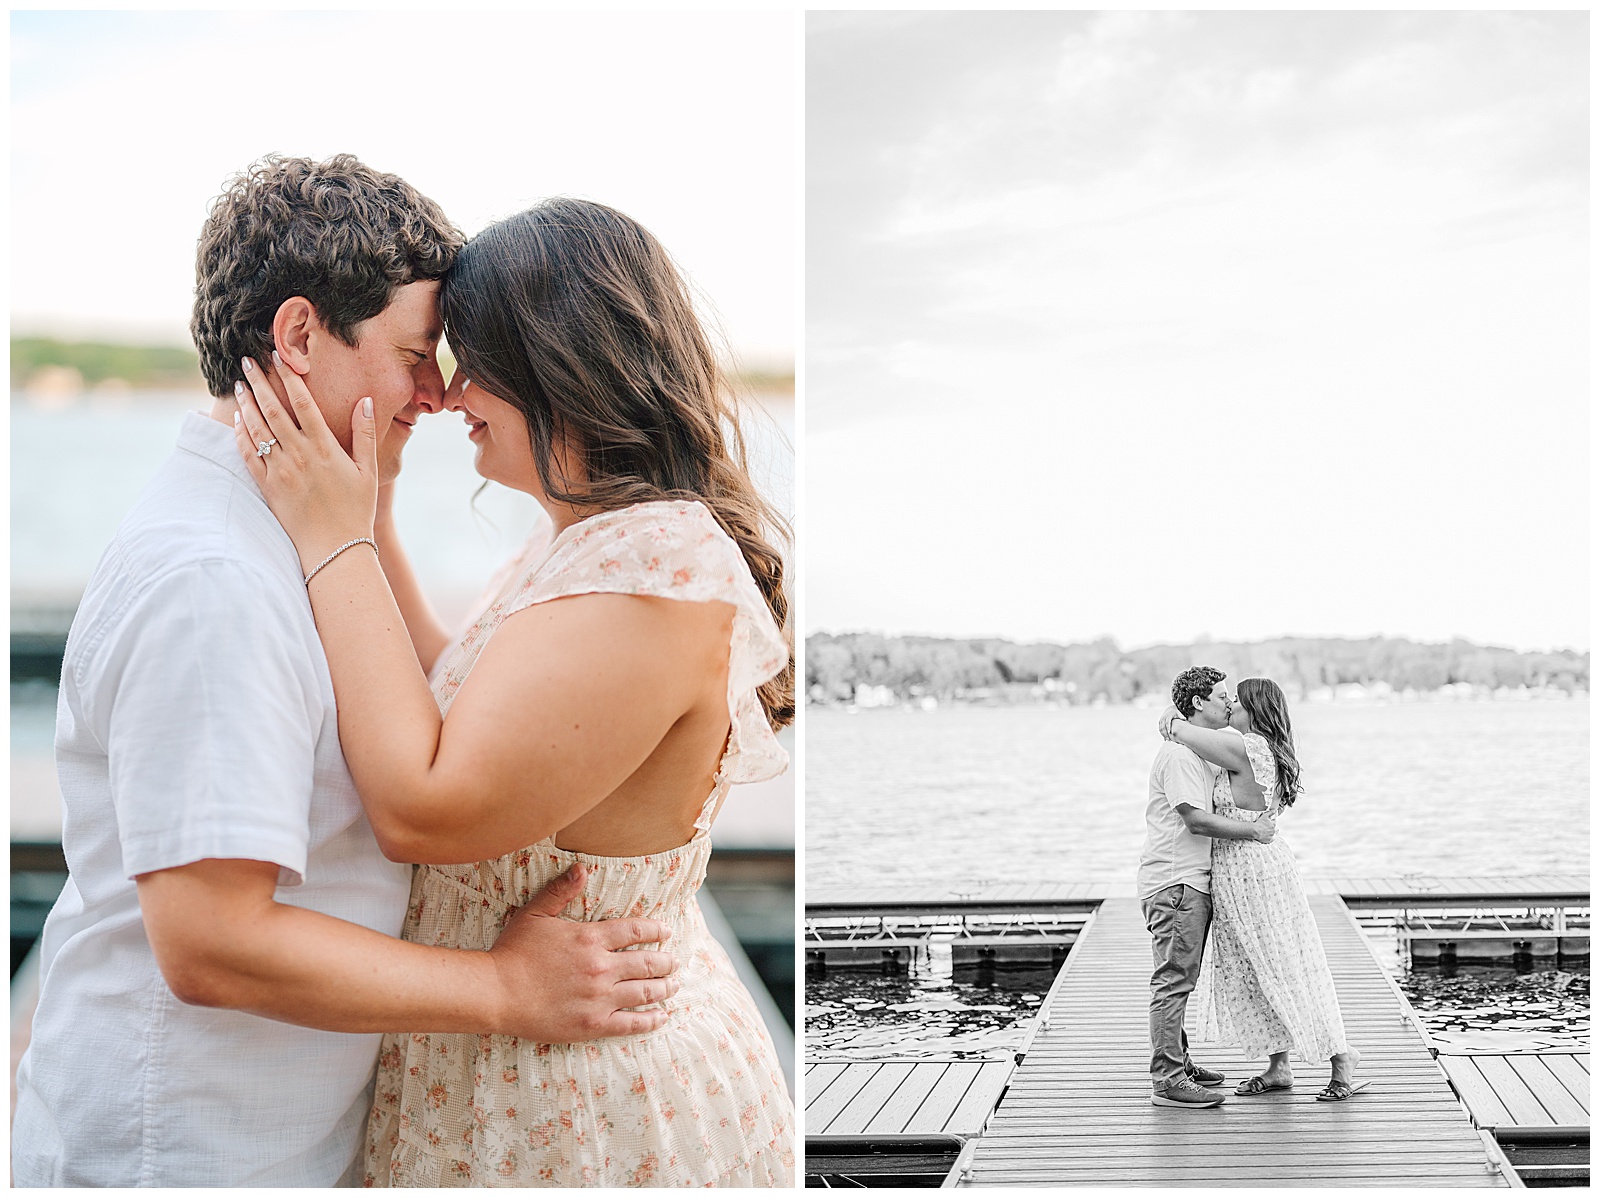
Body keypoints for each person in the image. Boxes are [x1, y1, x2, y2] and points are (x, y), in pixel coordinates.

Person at [10, 157, 679, 1189]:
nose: (434, 395)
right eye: (415, 355)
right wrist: (504, 990)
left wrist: (366, 524)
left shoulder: (294, 540)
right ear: (299, 336)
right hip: (190, 1152)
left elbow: (444, 702)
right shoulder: (214, 581)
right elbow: (210, 941)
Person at [232, 197, 796, 1186]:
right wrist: (373, 515)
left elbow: (426, 806)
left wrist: (334, 541)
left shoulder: (655, 564)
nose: (448, 397)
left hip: (579, 1106)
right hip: (513, 1071)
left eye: (470, 358)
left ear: (556, 366)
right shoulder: (590, 537)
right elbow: (475, 703)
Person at [1161, 674, 1365, 1101]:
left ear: (1255, 708)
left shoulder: (1248, 746)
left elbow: (1179, 729)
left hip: (1256, 871)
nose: (1231, 703)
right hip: (1237, 871)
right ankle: (1278, 1065)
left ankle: (1342, 1057)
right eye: (1227, 697)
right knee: (1255, 970)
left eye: (1238, 699)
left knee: (1287, 964)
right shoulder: (1253, 746)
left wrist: (1172, 717)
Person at [1137, 665, 1279, 1109]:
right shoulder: (1180, 756)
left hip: (1187, 881)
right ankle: (1169, 1080)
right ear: (1199, 703)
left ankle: (1179, 1062)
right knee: (1174, 982)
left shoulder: (1195, 749)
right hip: (1177, 882)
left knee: (1180, 978)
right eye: (1221, 696)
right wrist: (1253, 832)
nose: (1229, 702)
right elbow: (1195, 820)